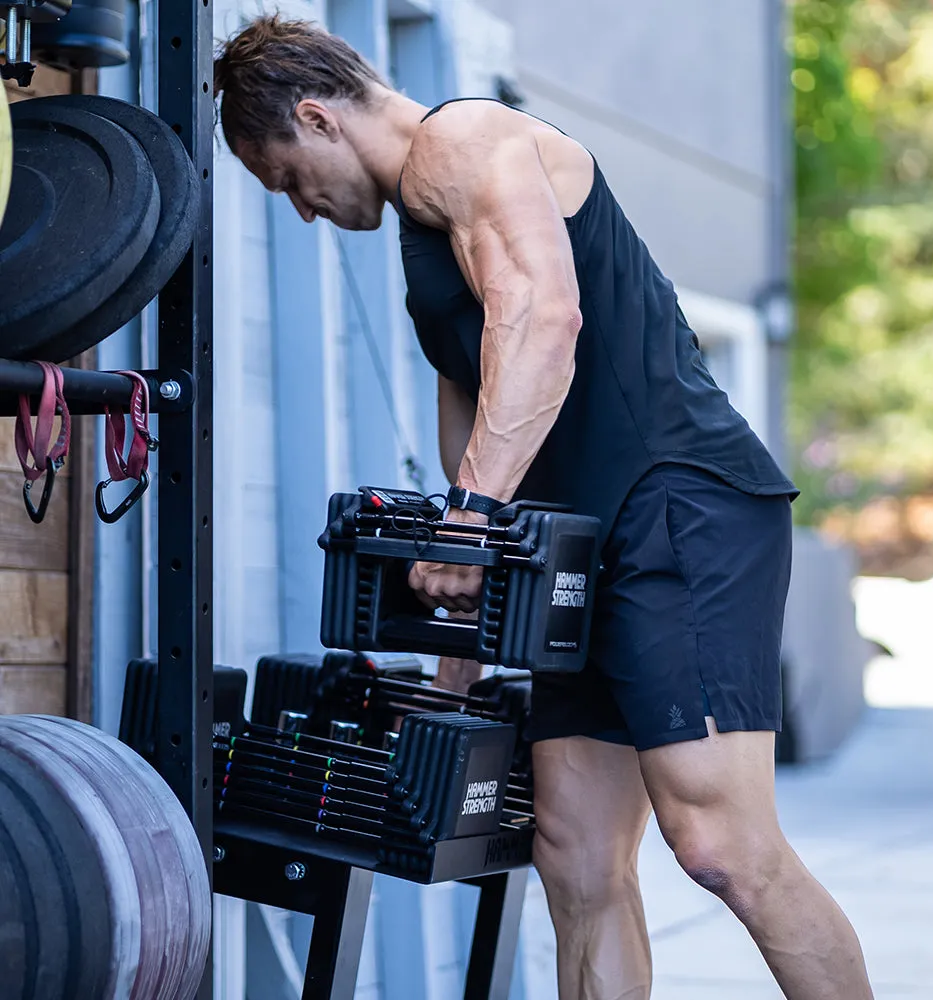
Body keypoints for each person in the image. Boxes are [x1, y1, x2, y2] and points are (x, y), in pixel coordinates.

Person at [214, 15, 874, 1000]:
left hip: (675, 508)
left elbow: (546, 320)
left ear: (317, 119)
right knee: (573, 854)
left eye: (284, 178)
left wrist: (469, 521)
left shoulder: (467, 143)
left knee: (723, 846)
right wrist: (452, 672)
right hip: (569, 554)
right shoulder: (421, 239)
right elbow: (473, 452)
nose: (301, 209)